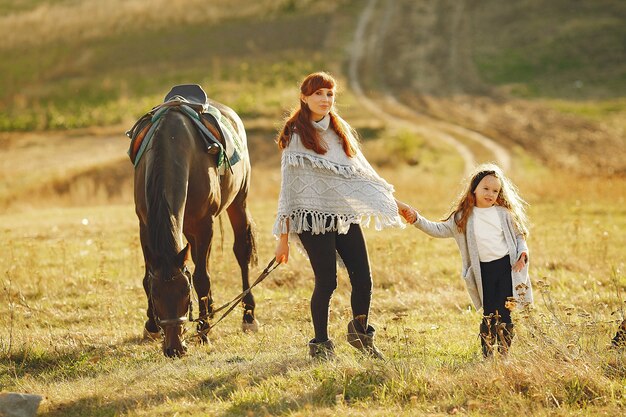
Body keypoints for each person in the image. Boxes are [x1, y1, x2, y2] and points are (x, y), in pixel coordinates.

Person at [273, 71, 414, 359]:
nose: (325, 99)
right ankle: (321, 345)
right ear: (304, 97)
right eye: (318, 94)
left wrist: (395, 203)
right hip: (312, 220)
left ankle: (361, 334)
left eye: (329, 94)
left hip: (343, 216)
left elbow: (360, 176)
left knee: (364, 278)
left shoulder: (340, 131)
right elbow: (288, 193)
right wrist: (283, 238)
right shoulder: (296, 137)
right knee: (327, 281)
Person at [402, 163, 533, 357]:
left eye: (495, 191)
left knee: (505, 312)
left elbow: (519, 235)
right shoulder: (463, 218)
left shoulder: (503, 214)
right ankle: (488, 355)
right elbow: (437, 229)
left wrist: (522, 253)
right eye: (486, 188)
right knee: (489, 313)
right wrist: (416, 219)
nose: (490, 194)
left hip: (507, 268)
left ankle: (504, 354)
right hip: (484, 271)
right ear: (474, 188)